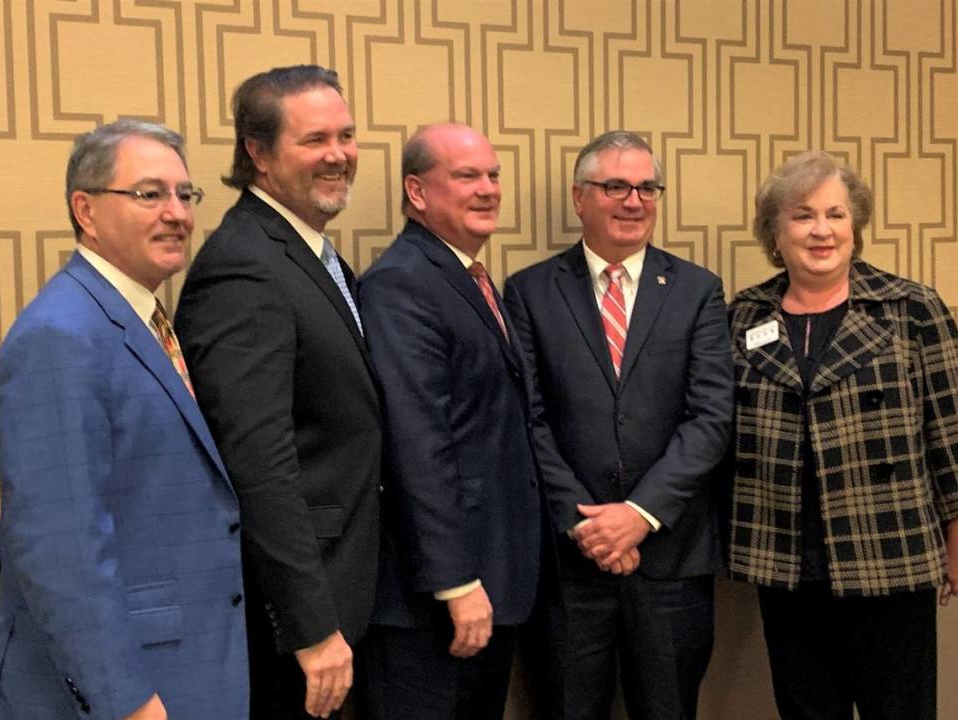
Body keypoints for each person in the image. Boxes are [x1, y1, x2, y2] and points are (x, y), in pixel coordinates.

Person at [0, 119, 248, 720]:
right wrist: (126, 701)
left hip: (189, 662)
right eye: (149, 194)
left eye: (185, 195)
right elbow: (60, 545)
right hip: (127, 687)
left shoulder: (143, 319)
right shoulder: (60, 335)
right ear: (85, 209)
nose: (177, 214)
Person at [503, 130, 734, 720]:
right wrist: (588, 526)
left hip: (670, 561)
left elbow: (710, 416)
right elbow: (527, 421)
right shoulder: (528, 292)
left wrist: (639, 514)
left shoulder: (697, 290)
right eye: (615, 187)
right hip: (570, 564)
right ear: (581, 198)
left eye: (647, 188)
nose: (633, 201)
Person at [174, 65, 381, 720]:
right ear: (257, 154)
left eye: (346, 136)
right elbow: (257, 464)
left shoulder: (308, 252)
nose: (338, 154)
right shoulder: (245, 267)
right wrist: (312, 628)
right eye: (314, 139)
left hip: (343, 587)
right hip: (291, 624)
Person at [726, 149, 958, 720]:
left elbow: (952, 433)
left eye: (835, 214)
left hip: (890, 555)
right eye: (802, 215)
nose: (821, 230)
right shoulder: (744, 315)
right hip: (783, 558)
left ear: (856, 227)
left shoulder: (911, 308)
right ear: (775, 234)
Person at [356, 123, 542, 720]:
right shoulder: (401, 284)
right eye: (466, 176)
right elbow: (418, 443)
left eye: (493, 175)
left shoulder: (467, 278)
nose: (488, 189)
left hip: (490, 577)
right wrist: (457, 582)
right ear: (417, 191)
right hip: (433, 601)